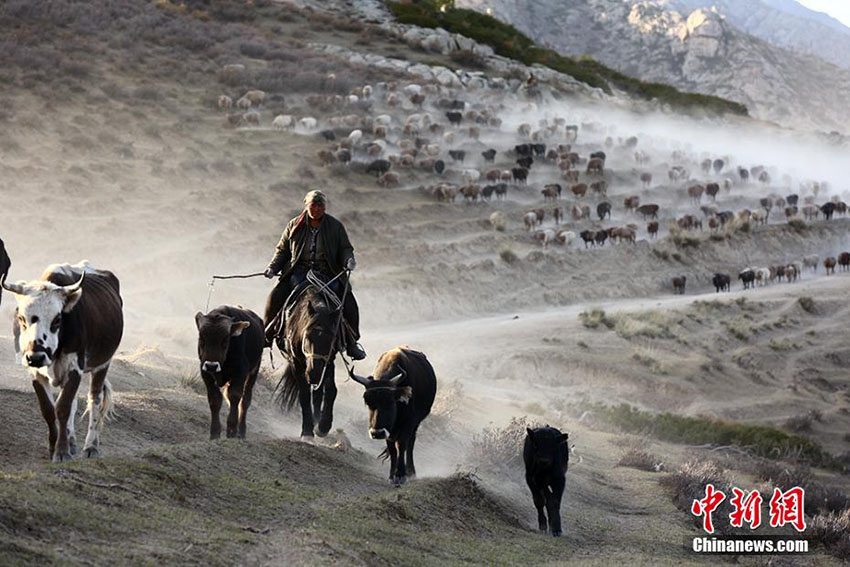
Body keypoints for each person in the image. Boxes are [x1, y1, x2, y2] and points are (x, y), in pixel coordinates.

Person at [263, 190, 366, 360]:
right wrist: (272, 268)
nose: (317, 209)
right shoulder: (293, 225)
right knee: (274, 296)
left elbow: (345, 249)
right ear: (306, 206)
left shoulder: (335, 226)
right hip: (298, 274)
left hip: (328, 275)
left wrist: (349, 260)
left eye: (321, 205)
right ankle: (267, 334)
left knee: (349, 303)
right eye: (313, 205)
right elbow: (282, 250)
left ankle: (351, 341)